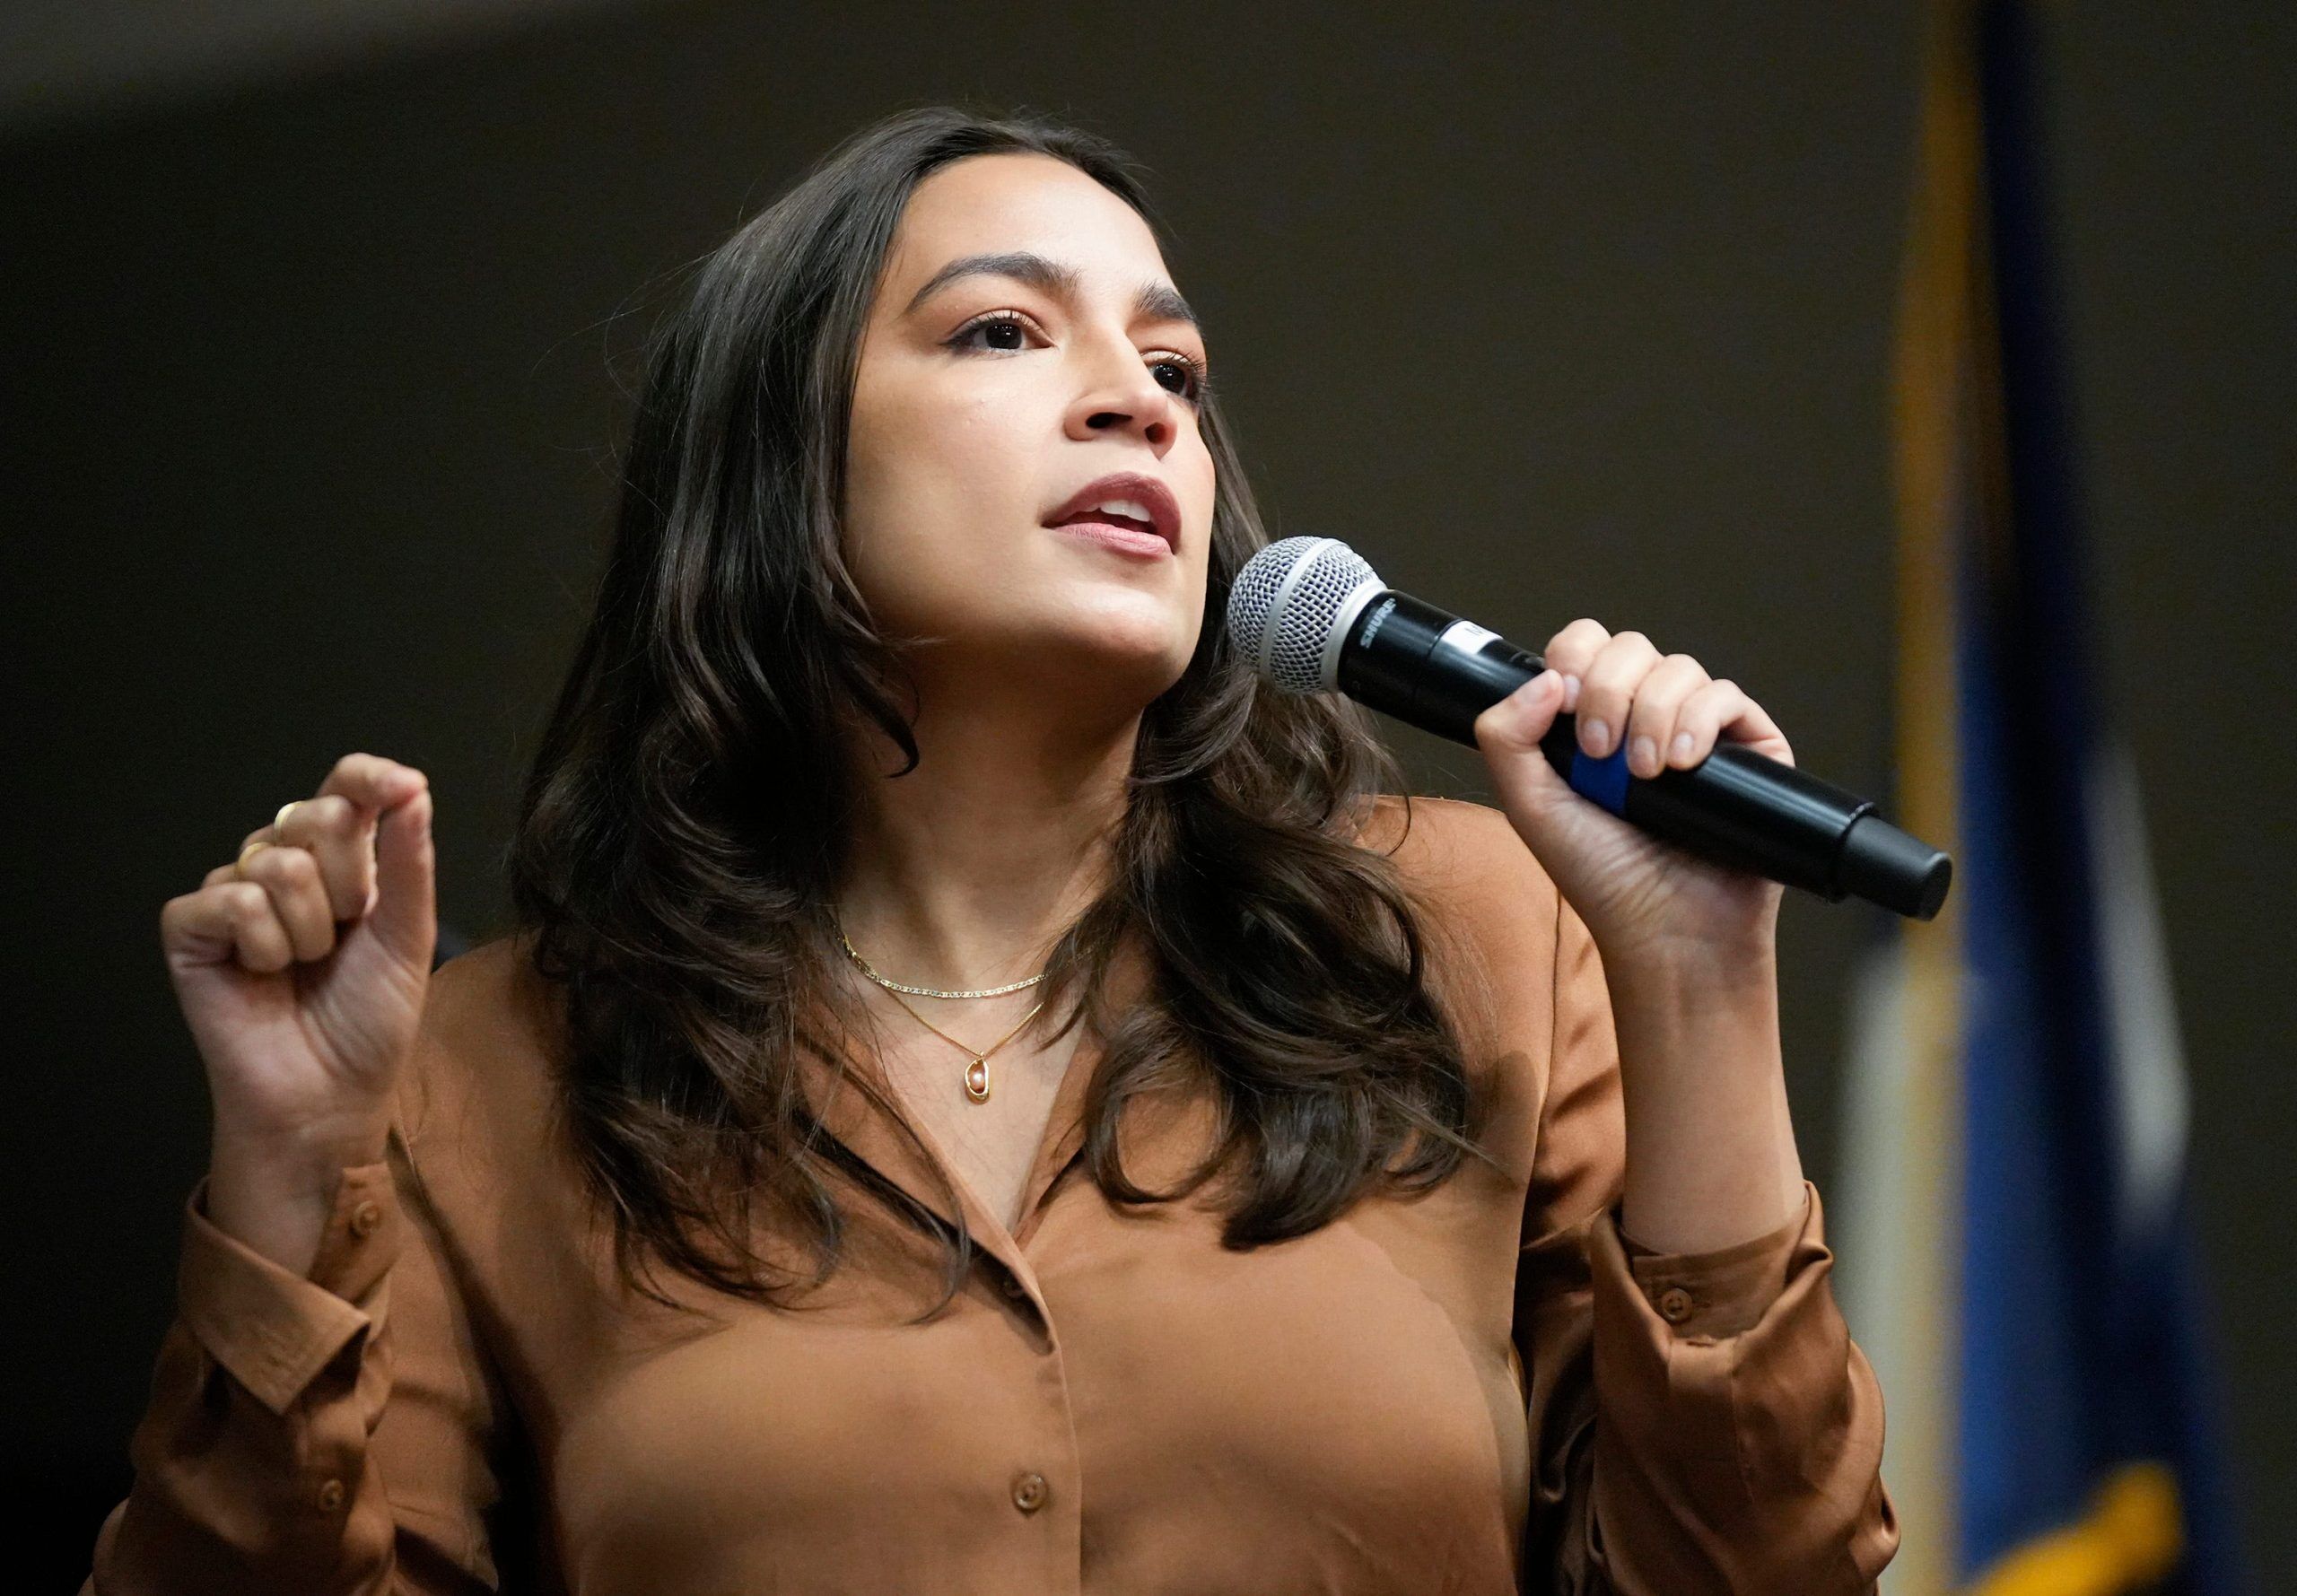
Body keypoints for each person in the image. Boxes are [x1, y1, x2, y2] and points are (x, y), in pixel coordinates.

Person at [83, 106, 1896, 1594]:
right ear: (776, 467)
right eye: (1003, 331)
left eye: (1171, 360)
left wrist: (1692, 969)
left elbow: (1763, 1570)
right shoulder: (474, 1067)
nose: (1139, 401)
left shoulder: (1485, 929)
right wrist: (287, 1174)